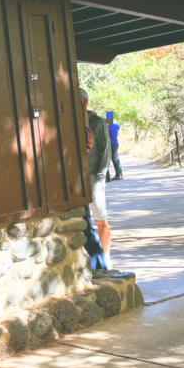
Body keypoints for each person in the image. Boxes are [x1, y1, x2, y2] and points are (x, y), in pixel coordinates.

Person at [81, 88, 113, 268]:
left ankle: (106, 260)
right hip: (77, 177)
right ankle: (92, 261)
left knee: (100, 219)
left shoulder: (97, 122)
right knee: (84, 221)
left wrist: (100, 177)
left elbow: (106, 151)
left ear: (85, 101)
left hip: (94, 175)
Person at [107, 115, 123, 180]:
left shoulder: (112, 126)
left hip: (112, 144)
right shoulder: (114, 125)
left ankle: (119, 174)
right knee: (116, 159)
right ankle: (119, 174)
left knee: (115, 159)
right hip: (115, 143)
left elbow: (112, 136)